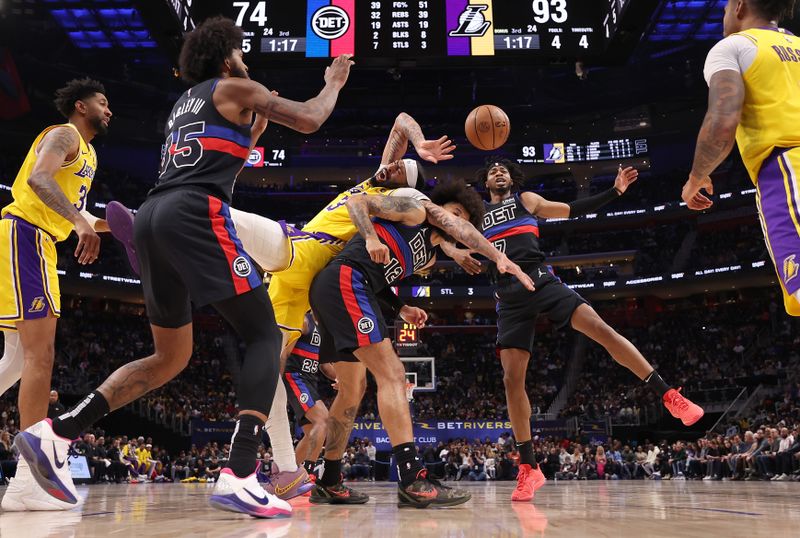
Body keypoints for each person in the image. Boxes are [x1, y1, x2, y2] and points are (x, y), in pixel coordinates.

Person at [14, 16, 352, 518]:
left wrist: (253, 131)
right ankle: (240, 473)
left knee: (169, 357)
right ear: (225, 58)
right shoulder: (237, 84)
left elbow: (223, 166)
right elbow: (309, 119)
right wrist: (332, 84)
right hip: (195, 212)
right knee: (263, 334)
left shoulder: (185, 103)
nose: (246, 60)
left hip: (153, 217)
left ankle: (56, 431)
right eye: (240, 52)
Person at [106, 111, 458, 499]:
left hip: (306, 284)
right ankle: (150, 230)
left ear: (402, 187)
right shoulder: (375, 191)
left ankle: (287, 469)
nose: (389, 166)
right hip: (305, 258)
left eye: (396, 169)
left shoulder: (397, 203)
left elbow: (422, 241)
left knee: (267, 366)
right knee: (234, 238)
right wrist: (420, 142)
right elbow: (401, 124)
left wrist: (439, 263)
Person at [445, 158, 705, 503]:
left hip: (540, 280)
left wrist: (615, 191)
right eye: (492, 168)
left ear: (511, 177)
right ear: (485, 180)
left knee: (600, 328)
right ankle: (529, 468)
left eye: (503, 168)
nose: (498, 170)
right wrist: (454, 251)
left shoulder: (528, 201)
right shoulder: (473, 214)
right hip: (508, 297)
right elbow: (437, 232)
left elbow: (572, 209)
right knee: (511, 379)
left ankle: (670, 395)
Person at [308, 179, 533, 507]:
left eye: (463, 220)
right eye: (454, 213)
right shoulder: (414, 210)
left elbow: (379, 279)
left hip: (341, 289)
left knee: (352, 391)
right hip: (345, 281)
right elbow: (357, 201)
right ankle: (413, 478)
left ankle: (328, 480)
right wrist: (370, 236)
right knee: (394, 376)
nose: (455, 222)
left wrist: (401, 308)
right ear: (441, 207)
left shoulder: (426, 256)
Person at [0, 78, 112, 512]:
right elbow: (38, 179)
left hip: (39, 240)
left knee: (14, 358)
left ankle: (24, 484)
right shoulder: (63, 133)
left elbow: (76, 209)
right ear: (81, 106)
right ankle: (29, 478)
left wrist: (118, 226)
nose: (109, 110)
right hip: (26, 234)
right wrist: (82, 226)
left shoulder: (90, 154)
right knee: (39, 355)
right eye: (103, 103)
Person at [681, 0, 799, 316]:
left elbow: (723, 119)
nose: (722, 15)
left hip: (789, 168)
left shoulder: (732, 47)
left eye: (725, 7)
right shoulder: (798, 45)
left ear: (740, 7)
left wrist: (696, 177)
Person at [273, 311, 335, 483]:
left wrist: (340, 380)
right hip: (295, 377)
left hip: (309, 381)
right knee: (323, 420)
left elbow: (325, 366)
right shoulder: (303, 320)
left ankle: (288, 474)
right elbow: (284, 353)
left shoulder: (323, 328)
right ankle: (306, 475)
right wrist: (275, 383)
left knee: (311, 434)